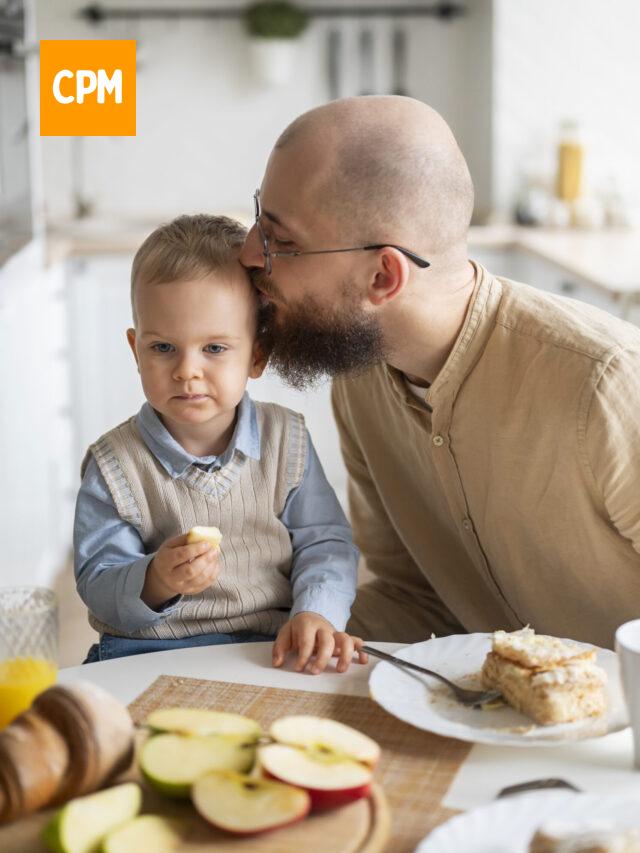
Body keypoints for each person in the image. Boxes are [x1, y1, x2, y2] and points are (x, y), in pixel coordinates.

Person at [240, 95, 640, 649]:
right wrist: (258, 630)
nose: (247, 254)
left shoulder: (608, 385)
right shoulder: (360, 381)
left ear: (383, 277)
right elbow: (415, 595)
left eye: (281, 242)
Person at [74, 213, 365, 672]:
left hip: (269, 642)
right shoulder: (114, 464)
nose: (187, 370)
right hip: (150, 649)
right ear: (135, 350)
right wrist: (155, 580)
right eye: (163, 348)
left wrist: (316, 612)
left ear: (257, 356)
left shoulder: (285, 441)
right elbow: (99, 583)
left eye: (214, 349)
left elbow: (324, 542)